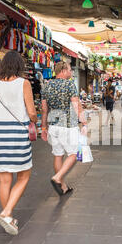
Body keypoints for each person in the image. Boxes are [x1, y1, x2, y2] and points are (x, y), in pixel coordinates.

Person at [0, 51, 37, 236]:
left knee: (4, 179)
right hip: (18, 134)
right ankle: (6, 213)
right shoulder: (24, 83)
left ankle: (8, 218)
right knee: (23, 176)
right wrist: (35, 119)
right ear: (19, 66)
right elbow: (31, 112)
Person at [41, 61, 88, 196]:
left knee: (58, 155)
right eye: (69, 70)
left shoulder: (46, 86)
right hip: (67, 125)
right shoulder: (69, 84)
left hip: (53, 126)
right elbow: (76, 105)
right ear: (63, 70)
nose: (71, 72)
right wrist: (84, 123)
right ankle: (57, 177)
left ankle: (63, 186)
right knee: (73, 154)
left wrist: (43, 128)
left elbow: (44, 110)